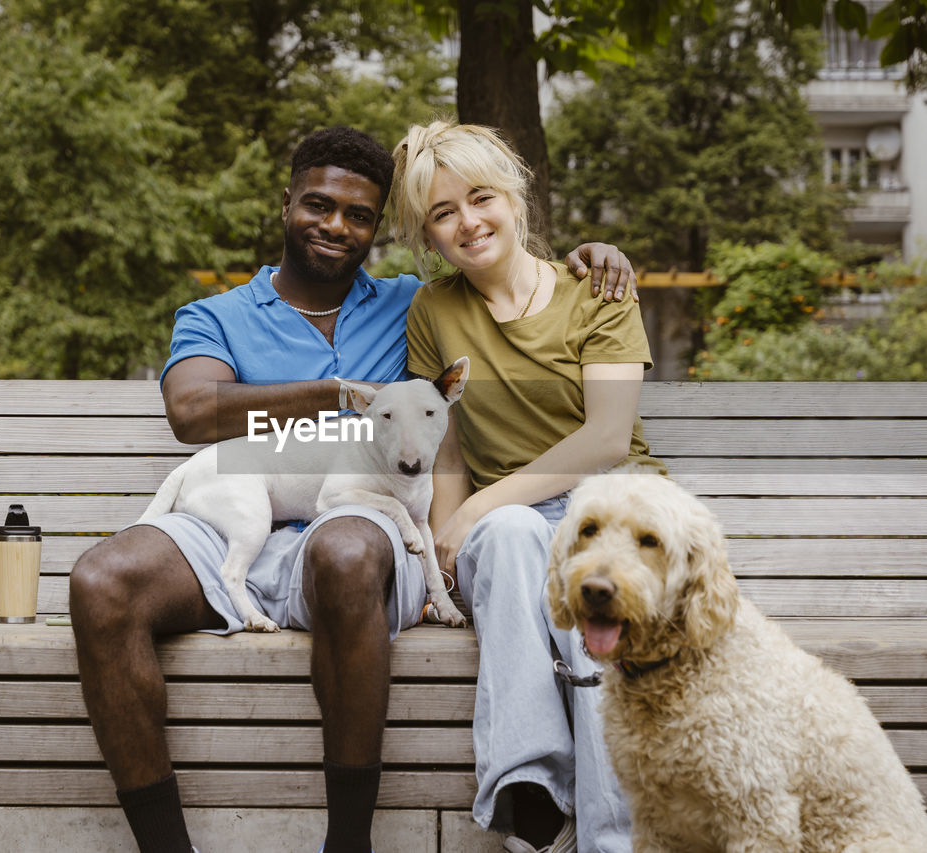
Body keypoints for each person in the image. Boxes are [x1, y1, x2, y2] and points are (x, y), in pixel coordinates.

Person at [67, 125, 639, 853]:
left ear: (379, 230)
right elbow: (191, 412)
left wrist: (594, 255)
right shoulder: (217, 316)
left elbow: (500, 275)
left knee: (343, 550)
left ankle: (348, 844)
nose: (336, 224)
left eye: (359, 215)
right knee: (101, 579)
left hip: (358, 527)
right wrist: (335, 395)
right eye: (318, 204)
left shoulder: (416, 303)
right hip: (238, 507)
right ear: (286, 205)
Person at [390, 120, 668, 853]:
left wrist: (483, 502)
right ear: (429, 233)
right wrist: (442, 554)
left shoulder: (597, 290)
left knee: (587, 573)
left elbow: (608, 438)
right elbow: (444, 442)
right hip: (509, 535)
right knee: (510, 536)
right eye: (443, 213)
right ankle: (532, 799)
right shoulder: (433, 310)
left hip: (612, 509)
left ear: (514, 196)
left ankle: (611, 838)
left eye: (479, 197)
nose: (467, 222)